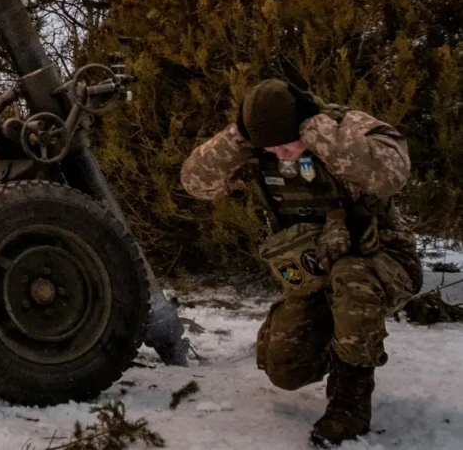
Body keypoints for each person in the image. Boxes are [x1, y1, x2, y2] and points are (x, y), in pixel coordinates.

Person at [180, 79, 422, 447]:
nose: (281, 156)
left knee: (352, 277)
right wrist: (240, 135)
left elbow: (391, 174)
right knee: (284, 367)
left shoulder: (342, 126)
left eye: (287, 144)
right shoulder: (262, 149)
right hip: (314, 272)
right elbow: (196, 183)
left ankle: (351, 395)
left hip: (383, 262)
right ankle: (340, 348)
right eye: (270, 148)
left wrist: (317, 131)